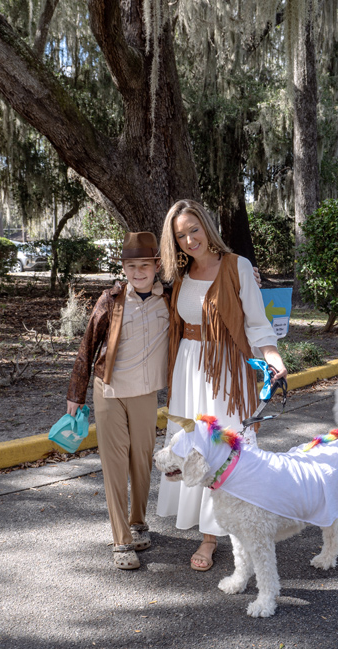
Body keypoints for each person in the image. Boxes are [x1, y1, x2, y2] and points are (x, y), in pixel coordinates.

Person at [155, 200, 288, 571]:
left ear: (207, 227)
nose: (188, 239)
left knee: (227, 448)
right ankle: (209, 538)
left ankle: (239, 529)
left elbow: (258, 323)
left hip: (226, 370)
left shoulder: (237, 266)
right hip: (187, 368)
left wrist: (273, 360)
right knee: (194, 447)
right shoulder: (179, 273)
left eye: (193, 229)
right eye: (180, 235)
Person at [67, 232, 170, 570]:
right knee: (114, 466)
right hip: (108, 391)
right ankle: (121, 540)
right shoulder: (111, 299)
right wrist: (75, 394)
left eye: (144, 265)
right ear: (123, 267)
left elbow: (207, 292)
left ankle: (139, 522)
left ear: (157, 265)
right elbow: (88, 346)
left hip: (144, 393)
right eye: (130, 266)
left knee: (141, 461)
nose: (137, 272)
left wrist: (249, 278)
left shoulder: (170, 298)